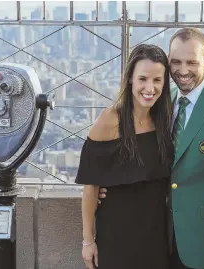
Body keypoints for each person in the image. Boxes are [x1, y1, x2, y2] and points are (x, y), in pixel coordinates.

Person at [99, 28, 204, 269]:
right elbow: (142, 152)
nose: (183, 71)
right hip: (162, 237)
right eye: (176, 62)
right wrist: (109, 184)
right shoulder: (164, 99)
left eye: (191, 62)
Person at [75, 44, 174, 269]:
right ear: (130, 78)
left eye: (157, 80)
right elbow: (91, 187)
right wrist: (88, 241)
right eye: (143, 79)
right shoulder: (109, 120)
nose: (150, 88)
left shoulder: (164, 118)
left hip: (155, 236)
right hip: (116, 236)